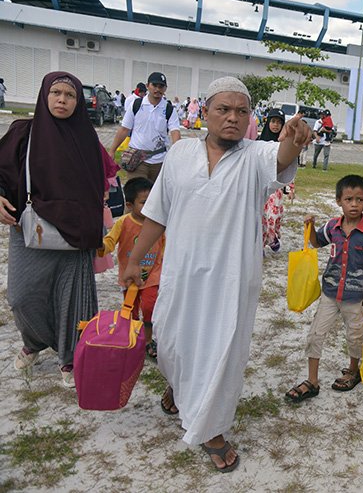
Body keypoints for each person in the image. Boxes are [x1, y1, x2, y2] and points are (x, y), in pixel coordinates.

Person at [120, 76, 311, 473]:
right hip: (181, 272)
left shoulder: (255, 156)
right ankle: (179, 384)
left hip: (231, 277)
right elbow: (158, 212)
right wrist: (134, 260)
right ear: (204, 113)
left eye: (242, 111)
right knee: (171, 341)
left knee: (222, 350)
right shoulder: (180, 155)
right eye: (223, 109)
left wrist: (294, 136)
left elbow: (282, 156)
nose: (232, 118)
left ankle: (212, 428)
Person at [0, 71, 106, 389]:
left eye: (70, 95)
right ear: (45, 96)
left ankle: (69, 356)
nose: (62, 100)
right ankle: (34, 342)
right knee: (21, 297)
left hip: (76, 234)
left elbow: (99, 187)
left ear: (78, 102)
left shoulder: (87, 138)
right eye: (56, 93)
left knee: (71, 298)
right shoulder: (24, 132)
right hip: (31, 229)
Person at [286, 174, 363, 402]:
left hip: (355, 297)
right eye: (349, 199)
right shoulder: (332, 227)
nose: (354, 204)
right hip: (330, 294)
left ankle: (354, 370)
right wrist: (310, 226)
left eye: (359, 200)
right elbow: (315, 242)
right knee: (315, 335)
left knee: (355, 337)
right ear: (338, 201)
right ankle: (312, 381)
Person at [97, 177, 164, 360]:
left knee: (150, 306)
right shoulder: (124, 222)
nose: (149, 206)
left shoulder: (159, 222)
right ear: (129, 204)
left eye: (152, 201)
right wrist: (101, 247)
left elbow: (166, 245)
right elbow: (110, 241)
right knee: (130, 310)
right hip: (129, 276)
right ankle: (133, 340)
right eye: (144, 202)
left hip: (152, 275)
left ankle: (149, 340)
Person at [108, 72, 181, 182]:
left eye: (161, 86)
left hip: (160, 162)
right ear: (148, 86)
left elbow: (175, 133)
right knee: (137, 195)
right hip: (137, 160)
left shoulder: (169, 109)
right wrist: (112, 150)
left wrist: (178, 154)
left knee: (155, 197)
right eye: (154, 85)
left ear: (165, 88)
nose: (157, 89)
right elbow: (124, 129)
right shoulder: (137, 104)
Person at [258, 108, 293, 253]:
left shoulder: (284, 144)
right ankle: (260, 245)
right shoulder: (259, 142)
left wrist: (290, 187)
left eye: (279, 122)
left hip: (276, 187)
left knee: (273, 215)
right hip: (261, 185)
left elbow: (290, 165)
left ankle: (272, 238)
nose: (275, 125)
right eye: (273, 121)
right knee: (261, 217)